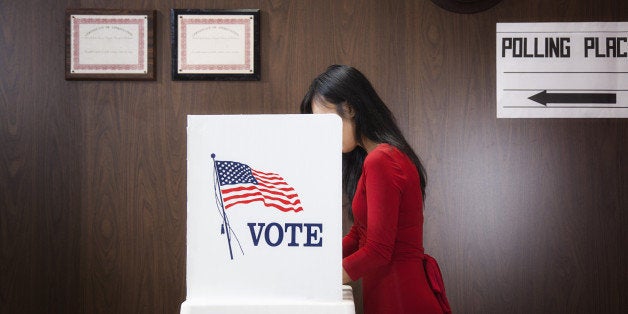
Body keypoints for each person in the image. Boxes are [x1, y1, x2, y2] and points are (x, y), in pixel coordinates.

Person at [301, 65, 445, 314]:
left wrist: (319, 280)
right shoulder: (377, 158)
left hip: (400, 296)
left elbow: (377, 250)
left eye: (326, 122)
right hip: (388, 290)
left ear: (350, 108)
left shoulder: (381, 159)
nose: (325, 134)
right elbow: (359, 235)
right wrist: (316, 263)